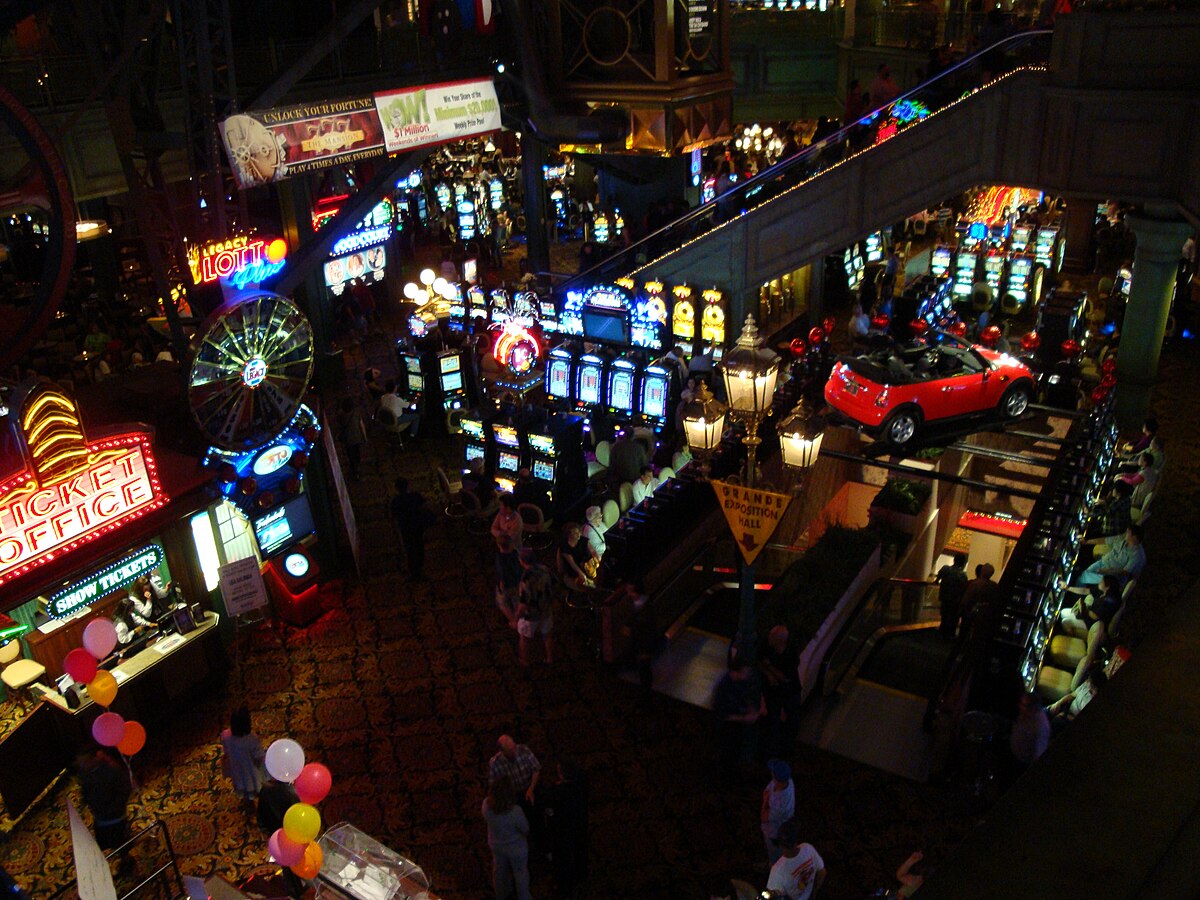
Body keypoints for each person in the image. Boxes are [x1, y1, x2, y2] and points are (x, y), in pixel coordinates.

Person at [541, 760, 589, 895]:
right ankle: (581, 875)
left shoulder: (558, 792)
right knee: (579, 850)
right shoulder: (581, 785)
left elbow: (548, 806)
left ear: (562, 776)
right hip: (579, 824)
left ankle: (563, 887)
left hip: (562, 830)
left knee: (562, 858)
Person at [711, 657, 764, 779]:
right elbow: (723, 715)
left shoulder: (740, 681)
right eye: (744, 672)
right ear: (735, 672)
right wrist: (745, 718)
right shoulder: (723, 689)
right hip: (725, 726)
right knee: (727, 751)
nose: (747, 675)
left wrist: (750, 708)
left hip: (737, 720)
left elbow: (745, 697)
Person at [78, 747, 133, 862]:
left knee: (121, 841)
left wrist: (114, 809)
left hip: (115, 817)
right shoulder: (85, 773)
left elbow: (124, 789)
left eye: (85, 761)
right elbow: (85, 789)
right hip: (100, 818)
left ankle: (126, 858)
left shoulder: (111, 770)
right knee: (104, 841)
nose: (83, 765)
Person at [482, 776, 532, 900]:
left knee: (499, 871)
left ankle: (501, 895)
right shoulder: (515, 811)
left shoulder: (486, 806)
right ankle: (524, 897)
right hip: (516, 847)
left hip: (496, 845)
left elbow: (485, 819)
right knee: (520, 873)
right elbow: (525, 829)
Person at [759, 625, 801, 757]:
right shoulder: (767, 645)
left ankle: (784, 752)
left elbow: (784, 678)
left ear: (779, 640)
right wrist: (769, 673)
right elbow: (758, 660)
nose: (768, 638)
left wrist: (768, 666)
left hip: (789, 695)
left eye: (772, 636)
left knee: (787, 726)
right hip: (774, 694)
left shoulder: (791, 656)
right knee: (772, 724)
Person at [390, 477, 436, 582]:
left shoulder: (395, 501)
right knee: (419, 548)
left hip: (405, 528)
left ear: (396, 488)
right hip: (418, 526)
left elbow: (394, 519)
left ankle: (413, 572)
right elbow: (425, 507)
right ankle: (419, 571)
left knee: (410, 550)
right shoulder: (416, 496)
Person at [766, 820, 826, 900]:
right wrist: (814, 893)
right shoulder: (808, 848)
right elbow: (822, 872)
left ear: (780, 845)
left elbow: (772, 896)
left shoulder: (777, 871)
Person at [1072, 524, 1145, 589]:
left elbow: (1125, 572)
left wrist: (1107, 571)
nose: (1126, 533)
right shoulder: (1122, 539)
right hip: (1103, 562)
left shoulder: (1137, 555)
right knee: (1082, 577)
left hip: (1114, 577)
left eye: (1128, 533)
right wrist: (1087, 542)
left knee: (1083, 577)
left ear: (1134, 537)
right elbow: (1105, 540)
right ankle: (1079, 595)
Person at [515, 548, 555, 666]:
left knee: (524, 637)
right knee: (547, 635)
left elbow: (524, 603)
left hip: (531, 615)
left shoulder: (526, 579)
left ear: (522, 561)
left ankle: (524, 660)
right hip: (546, 609)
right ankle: (549, 658)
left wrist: (516, 617)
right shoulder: (545, 569)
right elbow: (554, 586)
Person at [221, 705, 266, 804]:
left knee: (241, 785)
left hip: (237, 768)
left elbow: (226, 750)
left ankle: (247, 803)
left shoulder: (225, 735)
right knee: (255, 785)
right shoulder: (252, 739)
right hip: (251, 769)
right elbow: (258, 755)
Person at [488, 735, 541, 815]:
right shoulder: (495, 763)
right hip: (513, 795)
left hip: (531, 786)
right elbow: (493, 786)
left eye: (514, 747)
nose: (514, 751)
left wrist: (531, 788)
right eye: (510, 750)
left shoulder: (523, 750)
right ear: (502, 751)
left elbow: (536, 768)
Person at [761, 759, 796, 866]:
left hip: (774, 832)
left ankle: (773, 866)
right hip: (779, 825)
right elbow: (768, 789)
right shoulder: (788, 781)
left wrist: (766, 800)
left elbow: (764, 817)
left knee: (775, 854)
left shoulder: (780, 804)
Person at [1009, 691, 1051, 769]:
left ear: (1032, 708)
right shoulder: (1028, 715)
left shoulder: (1038, 729)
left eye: (1022, 704)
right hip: (1014, 752)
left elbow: (1037, 755)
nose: (1019, 705)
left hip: (1021, 762)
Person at [934, 552, 969, 639]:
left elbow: (937, 580)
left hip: (945, 597)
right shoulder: (962, 575)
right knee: (953, 619)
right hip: (955, 601)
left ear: (954, 560)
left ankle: (942, 633)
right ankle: (949, 635)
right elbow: (964, 588)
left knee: (944, 616)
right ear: (963, 563)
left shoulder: (946, 569)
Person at [337, 397, 368, 482]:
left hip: (347, 439)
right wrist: (365, 437)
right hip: (357, 438)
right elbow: (362, 426)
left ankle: (354, 471)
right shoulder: (356, 413)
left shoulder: (341, 415)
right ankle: (358, 471)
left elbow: (340, 426)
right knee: (357, 454)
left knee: (350, 455)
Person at [558, 522, 594, 590]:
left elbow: (593, 552)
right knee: (591, 586)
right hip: (575, 570)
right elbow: (572, 563)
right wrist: (581, 574)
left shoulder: (583, 540)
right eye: (575, 533)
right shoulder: (565, 546)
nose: (579, 535)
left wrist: (597, 560)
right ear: (569, 535)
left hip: (587, 566)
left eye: (579, 532)